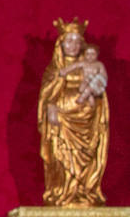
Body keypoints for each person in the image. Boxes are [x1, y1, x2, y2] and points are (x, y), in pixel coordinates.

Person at [40, 18, 109, 207]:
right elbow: (46, 95)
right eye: (69, 41)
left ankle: (84, 190)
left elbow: (100, 87)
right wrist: (51, 107)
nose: (73, 45)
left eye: (78, 41)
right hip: (62, 121)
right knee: (60, 153)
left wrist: (95, 100)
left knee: (87, 156)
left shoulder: (92, 65)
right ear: (60, 44)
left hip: (87, 120)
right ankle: (63, 190)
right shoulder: (53, 70)